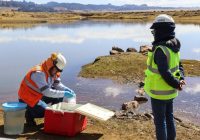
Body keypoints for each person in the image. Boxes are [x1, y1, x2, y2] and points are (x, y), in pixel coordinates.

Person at [144, 14, 186, 140]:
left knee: (160, 122)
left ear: (161, 31)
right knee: (169, 117)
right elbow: (178, 67)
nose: (154, 33)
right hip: (170, 93)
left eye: (155, 30)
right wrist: (180, 79)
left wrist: (177, 83)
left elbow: (165, 72)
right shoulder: (174, 47)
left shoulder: (160, 49)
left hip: (159, 94)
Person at [18, 52, 76, 126]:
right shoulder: (38, 73)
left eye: (59, 70)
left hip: (38, 95)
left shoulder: (53, 71)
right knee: (45, 112)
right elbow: (47, 92)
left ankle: (54, 115)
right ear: (51, 64)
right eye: (56, 69)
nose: (57, 72)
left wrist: (66, 90)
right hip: (27, 98)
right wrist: (64, 93)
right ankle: (28, 113)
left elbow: (57, 84)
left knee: (59, 98)